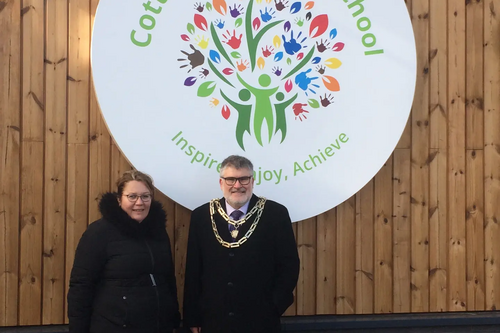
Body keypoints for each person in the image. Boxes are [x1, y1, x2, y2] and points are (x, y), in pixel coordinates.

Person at [183, 155, 300, 333]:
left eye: (244, 179)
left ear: (252, 181)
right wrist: (193, 316)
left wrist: (273, 307)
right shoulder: (202, 216)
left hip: (261, 321)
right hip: (214, 320)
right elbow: (193, 270)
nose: (237, 185)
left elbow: (289, 266)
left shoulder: (276, 214)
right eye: (230, 179)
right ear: (221, 183)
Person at [68, 170, 180, 333]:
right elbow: (81, 287)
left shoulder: (159, 233)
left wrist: (173, 319)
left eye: (145, 196)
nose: (139, 202)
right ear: (119, 199)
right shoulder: (99, 233)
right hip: (113, 326)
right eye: (132, 196)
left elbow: (168, 280)